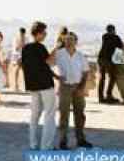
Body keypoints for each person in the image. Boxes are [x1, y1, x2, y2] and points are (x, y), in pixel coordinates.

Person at [22, 21, 57, 151]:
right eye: (44, 32)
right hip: (45, 85)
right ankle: (46, 146)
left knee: (34, 115)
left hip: (33, 85)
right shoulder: (39, 47)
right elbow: (49, 61)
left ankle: (33, 143)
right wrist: (56, 48)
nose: (45, 35)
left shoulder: (25, 48)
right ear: (38, 33)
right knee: (49, 114)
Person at [55, 33, 92, 149]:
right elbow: (46, 65)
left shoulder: (80, 56)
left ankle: (80, 139)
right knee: (63, 114)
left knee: (80, 115)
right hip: (65, 87)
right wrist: (56, 77)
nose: (68, 42)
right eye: (66, 40)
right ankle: (63, 141)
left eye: (71, 40)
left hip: (78, 86)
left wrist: (82, 87)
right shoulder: (59, 54)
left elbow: (86, 72)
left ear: (76, 42)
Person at [97, 24, 124, 104]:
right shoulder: (116, 37)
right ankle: (109, 95)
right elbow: (121, 47)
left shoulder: (104, 36)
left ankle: (101, 97)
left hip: (101, 58)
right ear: (113, 30)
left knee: (102, 78)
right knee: (112, 77)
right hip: (109, 60)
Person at [11, 28, 27, 92]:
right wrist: (20, 44)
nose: (22, 35)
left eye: (23, 34)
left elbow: (27, 47)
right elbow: (15, 48)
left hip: (24, 56)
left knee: (24, 71)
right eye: (21, 33)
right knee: (17, 70)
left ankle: (24, 86)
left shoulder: (26, 39)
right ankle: (15, 86)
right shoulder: (16, 39)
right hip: (17, 56)